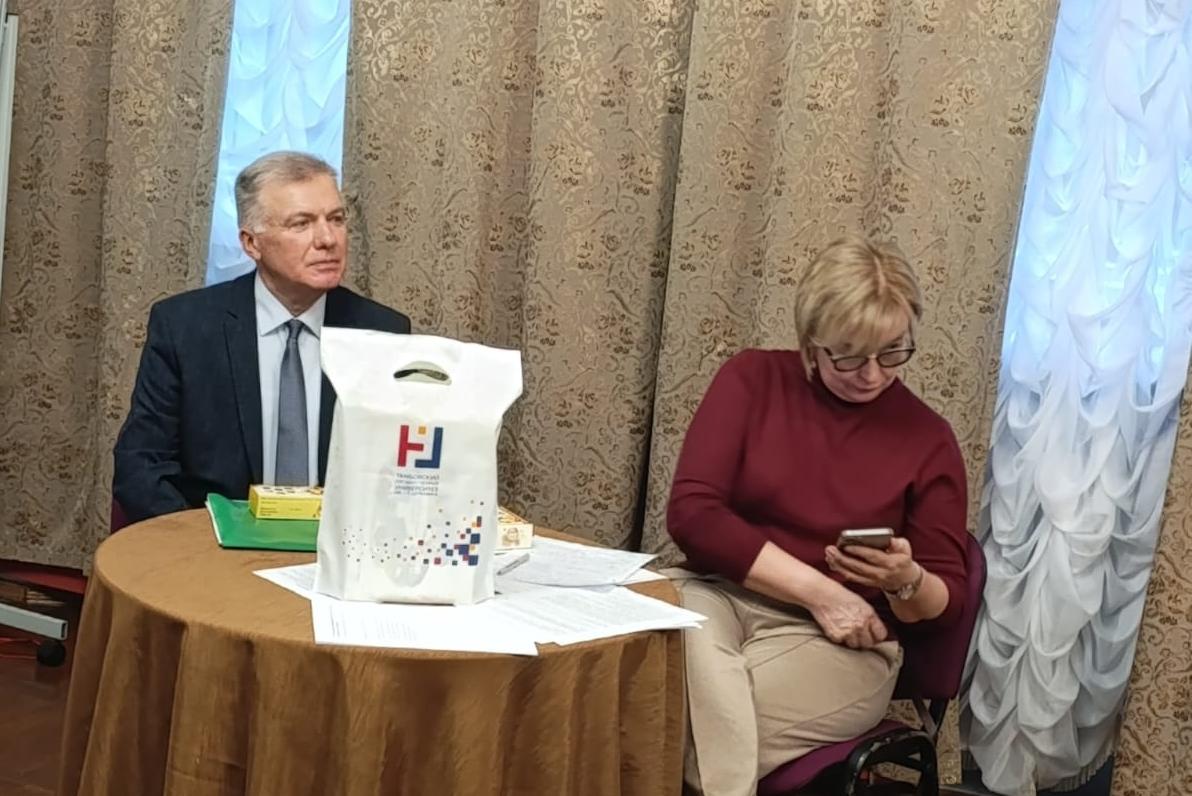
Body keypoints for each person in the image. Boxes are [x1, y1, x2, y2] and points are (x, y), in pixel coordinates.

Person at [667, 236, 970, 796]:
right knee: (676, 682)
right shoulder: (751, 379)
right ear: (811, 341)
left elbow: (946, 604)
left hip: (843, 643)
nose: (872, 374)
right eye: (849, 354)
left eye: (892, 352)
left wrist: (907, 580)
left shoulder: (928, 440)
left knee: (656, 709)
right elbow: (693, 514)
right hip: (717, 593)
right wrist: (823, 593)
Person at [114, 151, 411, 523]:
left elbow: (401, 474)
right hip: (214, 542)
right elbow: (141, 464)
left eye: (336, 219)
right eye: (301, 223)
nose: (328, 239)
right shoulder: (184, 327)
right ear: (251, 242)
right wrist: (202, 541)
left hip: (338, 546)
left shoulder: (382, 334)